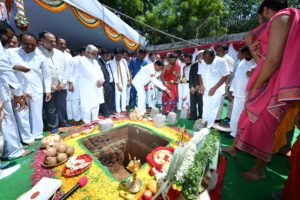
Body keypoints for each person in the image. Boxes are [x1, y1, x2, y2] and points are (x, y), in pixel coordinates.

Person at [225, 0, 300, 181]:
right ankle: (235, 148)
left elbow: (273, 61)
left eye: (260, 17)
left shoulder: (281, 18)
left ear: (265, 10)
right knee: (246, 117)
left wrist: (257, 85)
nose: (261, 23)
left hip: (274, 85)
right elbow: (264, 60)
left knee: (265, 126)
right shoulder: (280, 21)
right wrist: (251, 45)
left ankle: (259, 170)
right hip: (268, 81)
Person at [7, 33, 52, 144]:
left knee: (37, 114)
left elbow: (47, 75)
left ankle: (37, 134)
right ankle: (27, 138)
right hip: (19, 90)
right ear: (20, 42)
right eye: (26, 44)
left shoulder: (40, 56)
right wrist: (15, 68)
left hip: (36, 89)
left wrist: (48, 90)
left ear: (36, 44)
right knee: (22, 115)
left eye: (33, 45)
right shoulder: (10, 53)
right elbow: (3, 69)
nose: (30, 47)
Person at [0, 21, 32, 159]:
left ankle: (15, 145)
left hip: (5, 89)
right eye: (9, 35)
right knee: (6, 119)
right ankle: (12, 151)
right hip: (2, 90)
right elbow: (5, 70)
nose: (11, 38)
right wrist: (18, 94)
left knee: (9, 119)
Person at [37, 32, 69, 133]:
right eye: (51, 41)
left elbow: (66, 69)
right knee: (50, 108)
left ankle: (63, 123)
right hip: (48, 87)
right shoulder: (37, 53)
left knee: (62, 105)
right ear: (42, 41)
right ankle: (53, 126)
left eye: (55, 41)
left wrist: (63, 82)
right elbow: (37, 72)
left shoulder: (59, 53)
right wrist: (50, 85)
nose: (54, 43)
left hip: (61, 86)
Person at [228, 46, 256, 138]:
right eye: (245, 54)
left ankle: (241, 134)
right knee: (235, 113)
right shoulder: (242, 62)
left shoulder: (255, 63)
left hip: (248, 95)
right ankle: (233, 133)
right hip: (238, 93)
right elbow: (236, 78)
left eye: (248, 54)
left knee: (244, 116)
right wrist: (231, 90)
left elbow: (250, 74)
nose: (247, 56)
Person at [198, 49, 230, 128]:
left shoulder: (221, 61)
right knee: (205, 107)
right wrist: (201, 85)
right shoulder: (203, 62)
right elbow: (200, 74)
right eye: (205, 59)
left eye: (208, 59)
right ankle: (203, 124)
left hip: (216, 90)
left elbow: (225, 75)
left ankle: (208, 127)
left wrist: (215, 88)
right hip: (205, 89)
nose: (206, 61)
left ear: (213, 56)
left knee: (212, 108)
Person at [75, 45, 104, 123]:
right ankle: (86, 121)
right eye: (94, 54)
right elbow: (87, 72)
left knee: (96, 102)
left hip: (97, 86)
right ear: (87, 52)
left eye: (96, 54)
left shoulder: (95, 61)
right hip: (87, 86)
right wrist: (97, 81)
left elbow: (100, 71)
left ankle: (95, 118)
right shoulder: (82, 60)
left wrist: (101, 80)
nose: (95, 56)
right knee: (87, 104)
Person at [215, 44, 235, 125]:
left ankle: (217, 119)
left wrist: (225, 85)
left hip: (223, 84)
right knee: (216, 100)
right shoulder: (219, 58)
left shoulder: (228, 59)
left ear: (225, 51)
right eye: (218, 49)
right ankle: (215, 117)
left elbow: (229, 73)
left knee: (220, 101)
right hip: (218, 83)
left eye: (220, 50)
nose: (218, 51)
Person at [56, 37, 74, 121]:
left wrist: (70, 82)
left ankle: (65, 120)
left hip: (65, 83)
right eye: (61, 43)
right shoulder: (52, 54)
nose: (63, 45)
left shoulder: (68, 55)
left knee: (65, 103)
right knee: (55, 105)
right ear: (56, 44)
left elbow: (70, 70)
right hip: (55, 84)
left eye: (64, 44)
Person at [111, 48, 131, 115]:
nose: (119, 57)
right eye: (117, 56)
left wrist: (129, 80)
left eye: (120, 56)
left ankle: (123, 108)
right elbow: (114, 74)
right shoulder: (113, 62)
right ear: (114, 55)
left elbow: (127, 70)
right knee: (118, 96)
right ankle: (118, 110)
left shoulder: (124, 61)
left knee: (124, 95)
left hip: (125, 81)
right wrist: (117, 84)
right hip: (118, 83)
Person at [98, 49, 115, 117]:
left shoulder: (108, 62)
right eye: (105, 55)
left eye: (108, 55)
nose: (107, 57)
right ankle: (104, 112)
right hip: (104, 84)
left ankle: (109, 111)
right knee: (104, 99)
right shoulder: (98, 62)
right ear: (101, 55)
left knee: (109, 99)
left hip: (110, 83)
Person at [189, 52, 203, 120]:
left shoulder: (207, 65)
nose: (200, 57)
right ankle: (193, 116)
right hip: (193, 87)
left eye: (202, 55)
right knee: (193, 102)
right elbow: (190, 76)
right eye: (199, 55)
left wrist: (199, 85)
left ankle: (201, 116)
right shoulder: (193, 65)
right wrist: (191, 86)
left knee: (201, 103)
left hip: (201, 87)